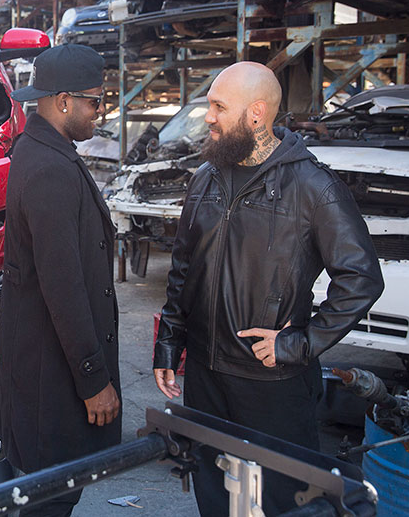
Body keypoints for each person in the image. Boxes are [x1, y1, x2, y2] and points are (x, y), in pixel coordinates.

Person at [152, 61, 384, 516]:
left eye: (219, 107)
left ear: (256, 114)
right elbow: (183, 270)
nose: (210, 117)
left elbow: (361, 277)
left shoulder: (312, 186)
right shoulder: (205, 178)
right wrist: (168, 346)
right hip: (205, 376)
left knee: (282, 501)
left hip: (272, 385)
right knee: (215, 497)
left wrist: (300, 344)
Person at [0, 44, 121, 517]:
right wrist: (93, 380)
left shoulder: (42, 150)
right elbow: (63, 288)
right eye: (94, 101)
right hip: (55, 383)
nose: (99, 112)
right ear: (63, 101)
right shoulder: (47, 167)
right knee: (53, 499)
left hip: (45, 372)